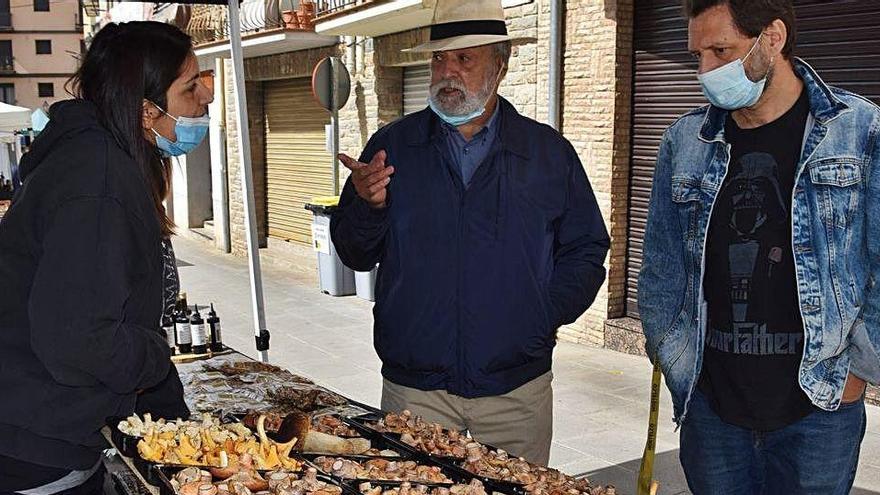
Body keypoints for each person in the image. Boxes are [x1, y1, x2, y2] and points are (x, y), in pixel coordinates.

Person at [331, 0, 609, 465]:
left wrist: (541, 317)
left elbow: (585, 247)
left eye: (464, 58)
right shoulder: (392, 147)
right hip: (415, 394)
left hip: (515, 394)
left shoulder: (546, 153)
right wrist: (367, 205)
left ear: (499, 68)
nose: (447, 71)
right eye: (439, 58)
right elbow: (354, 253)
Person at [638, 0, 879, 492]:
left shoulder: (860, 131)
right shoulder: (684, 140)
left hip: (819, 409)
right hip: (712, 410)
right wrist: (672, 354)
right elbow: (660, 268)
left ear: (773, 36)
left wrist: (859, 371)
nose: (705, 70)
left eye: (720, 50)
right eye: (697, 55)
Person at [0, 21, 212, 494]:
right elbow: (78, 337)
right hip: (35, 443)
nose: (205, 99)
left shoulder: (99, 158)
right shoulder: (98, 178)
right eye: (190, 86)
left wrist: (178, 423)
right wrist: (155, 356)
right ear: (144, 109)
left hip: (44, 429)